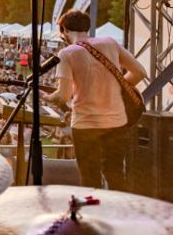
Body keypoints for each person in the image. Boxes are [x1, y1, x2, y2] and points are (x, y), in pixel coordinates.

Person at [45, 10, 146, 190]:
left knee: (90, 177)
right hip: (116, 121)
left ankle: (95, 214)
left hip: (86, 124)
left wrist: (47, 96)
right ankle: (120, 215)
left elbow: (63, 95)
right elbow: (139, 72)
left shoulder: (67, 53)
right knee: (115, 173)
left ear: (64, 30)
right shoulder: (110, 43)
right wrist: (117, 86)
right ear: (87, 27)